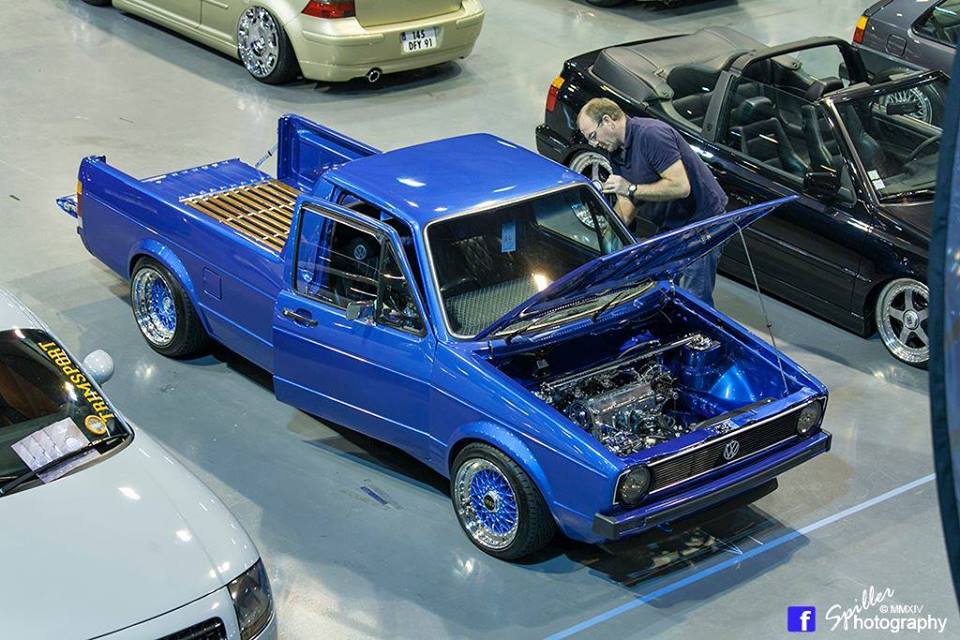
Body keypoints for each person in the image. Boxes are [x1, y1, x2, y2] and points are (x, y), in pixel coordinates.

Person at [577, 98, 728, 306]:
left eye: (593, 136)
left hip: (702, 224)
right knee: (663, 290)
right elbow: (626, 207)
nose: (594, 144)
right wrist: (605, 242)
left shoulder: (651, 135)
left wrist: (630, 188)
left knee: (693, 299)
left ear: (608, 121)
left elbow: (681, 187)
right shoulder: (616, 150)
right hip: (672, 226)